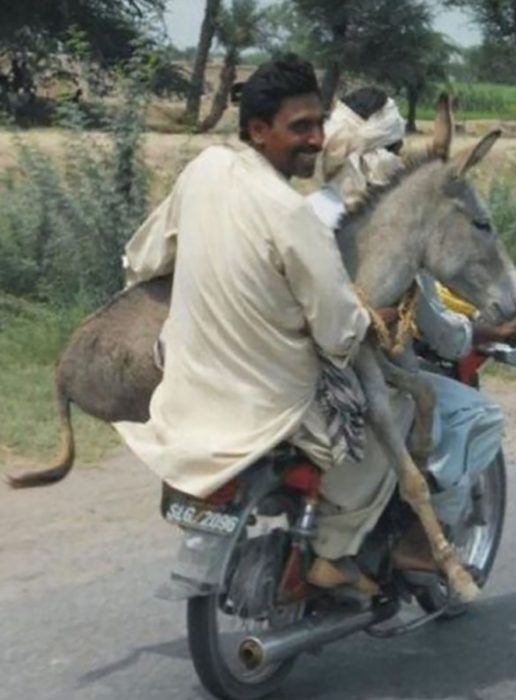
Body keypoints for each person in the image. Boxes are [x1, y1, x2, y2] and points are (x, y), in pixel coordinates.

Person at [115, 58, 414, 595]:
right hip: (268, 404)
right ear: (258, 130)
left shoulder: (203, 170)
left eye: (319, 124)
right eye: (300, 127)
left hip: (189, 388)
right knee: (397, 407)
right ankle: (335, 550)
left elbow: (142, 258)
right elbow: (339, 333)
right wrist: (375, 318)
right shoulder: (294, 216)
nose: (317, 139)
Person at [307, 86, 516, 569]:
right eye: (398, 151)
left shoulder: (309, 209)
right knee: (475, 416)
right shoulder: (391, 227)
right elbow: (442, 334)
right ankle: (420, 542)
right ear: (382, 154)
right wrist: (480, 333)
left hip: (300, 365)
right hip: (355, 376)